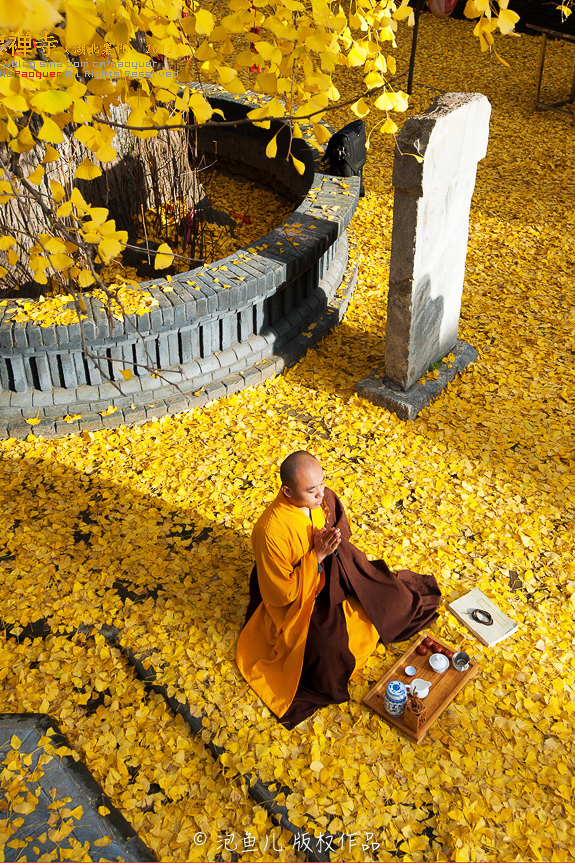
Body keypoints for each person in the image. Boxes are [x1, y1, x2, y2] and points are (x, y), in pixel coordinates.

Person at [235, 451, 441, 729]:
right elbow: (279, 594)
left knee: (393, 599)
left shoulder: (323, 498)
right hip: (298, 596)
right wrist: (316, 556)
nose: (321, 494)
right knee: (329, 656)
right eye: (312, 490)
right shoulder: (270, 531)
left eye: (322, 483)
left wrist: (331, 542)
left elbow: (338, 525)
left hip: (333, 568)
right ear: (287, 490)